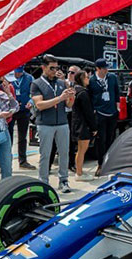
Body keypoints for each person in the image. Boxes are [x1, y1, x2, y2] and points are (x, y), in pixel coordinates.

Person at [31, 56, 75, 192]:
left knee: (64, 153)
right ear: (43, 67)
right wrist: (60, 98)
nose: (55, 71)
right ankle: (43, 181)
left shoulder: (61, 83)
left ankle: (64, 180)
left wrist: (70, 95)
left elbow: (68, 104)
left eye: (57, 68)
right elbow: (39, 105)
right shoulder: (37, 83)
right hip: (45, 123)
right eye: (52, 68)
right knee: (45, 154)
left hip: (62, 122)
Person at [88, 58, 119, 176]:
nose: (106, 70)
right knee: (101, 140)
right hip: (100, 113)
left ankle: (111, 163)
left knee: (111, 139)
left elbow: (116, 92)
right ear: (98, 69)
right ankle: (101, 164)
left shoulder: (112, 78)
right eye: (104, 68)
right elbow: (90, 97)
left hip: (112, 112)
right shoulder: (92, 80)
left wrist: (117, 107)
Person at [71, 70, 97, 181]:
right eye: (86, 77)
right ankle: (79, 173)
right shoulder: (83, 93)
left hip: (76, 123)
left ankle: (79, 171)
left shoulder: (75, 91)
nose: (88, 79)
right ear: (81, 79)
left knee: (80, 149)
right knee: (82, 149)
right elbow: (88, 112)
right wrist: (94, 127)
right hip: (83, 125)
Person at [10, 66, 35, 170]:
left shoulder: (29, 78)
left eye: (19, 73)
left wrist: (31, 101)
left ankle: (23, 161)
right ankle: (6, 162)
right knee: (9, 138)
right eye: (16, 72)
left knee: (22, 137)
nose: (17, 74)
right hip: (10, 111)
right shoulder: (8, 77)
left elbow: (34, 92)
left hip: (24, 110)